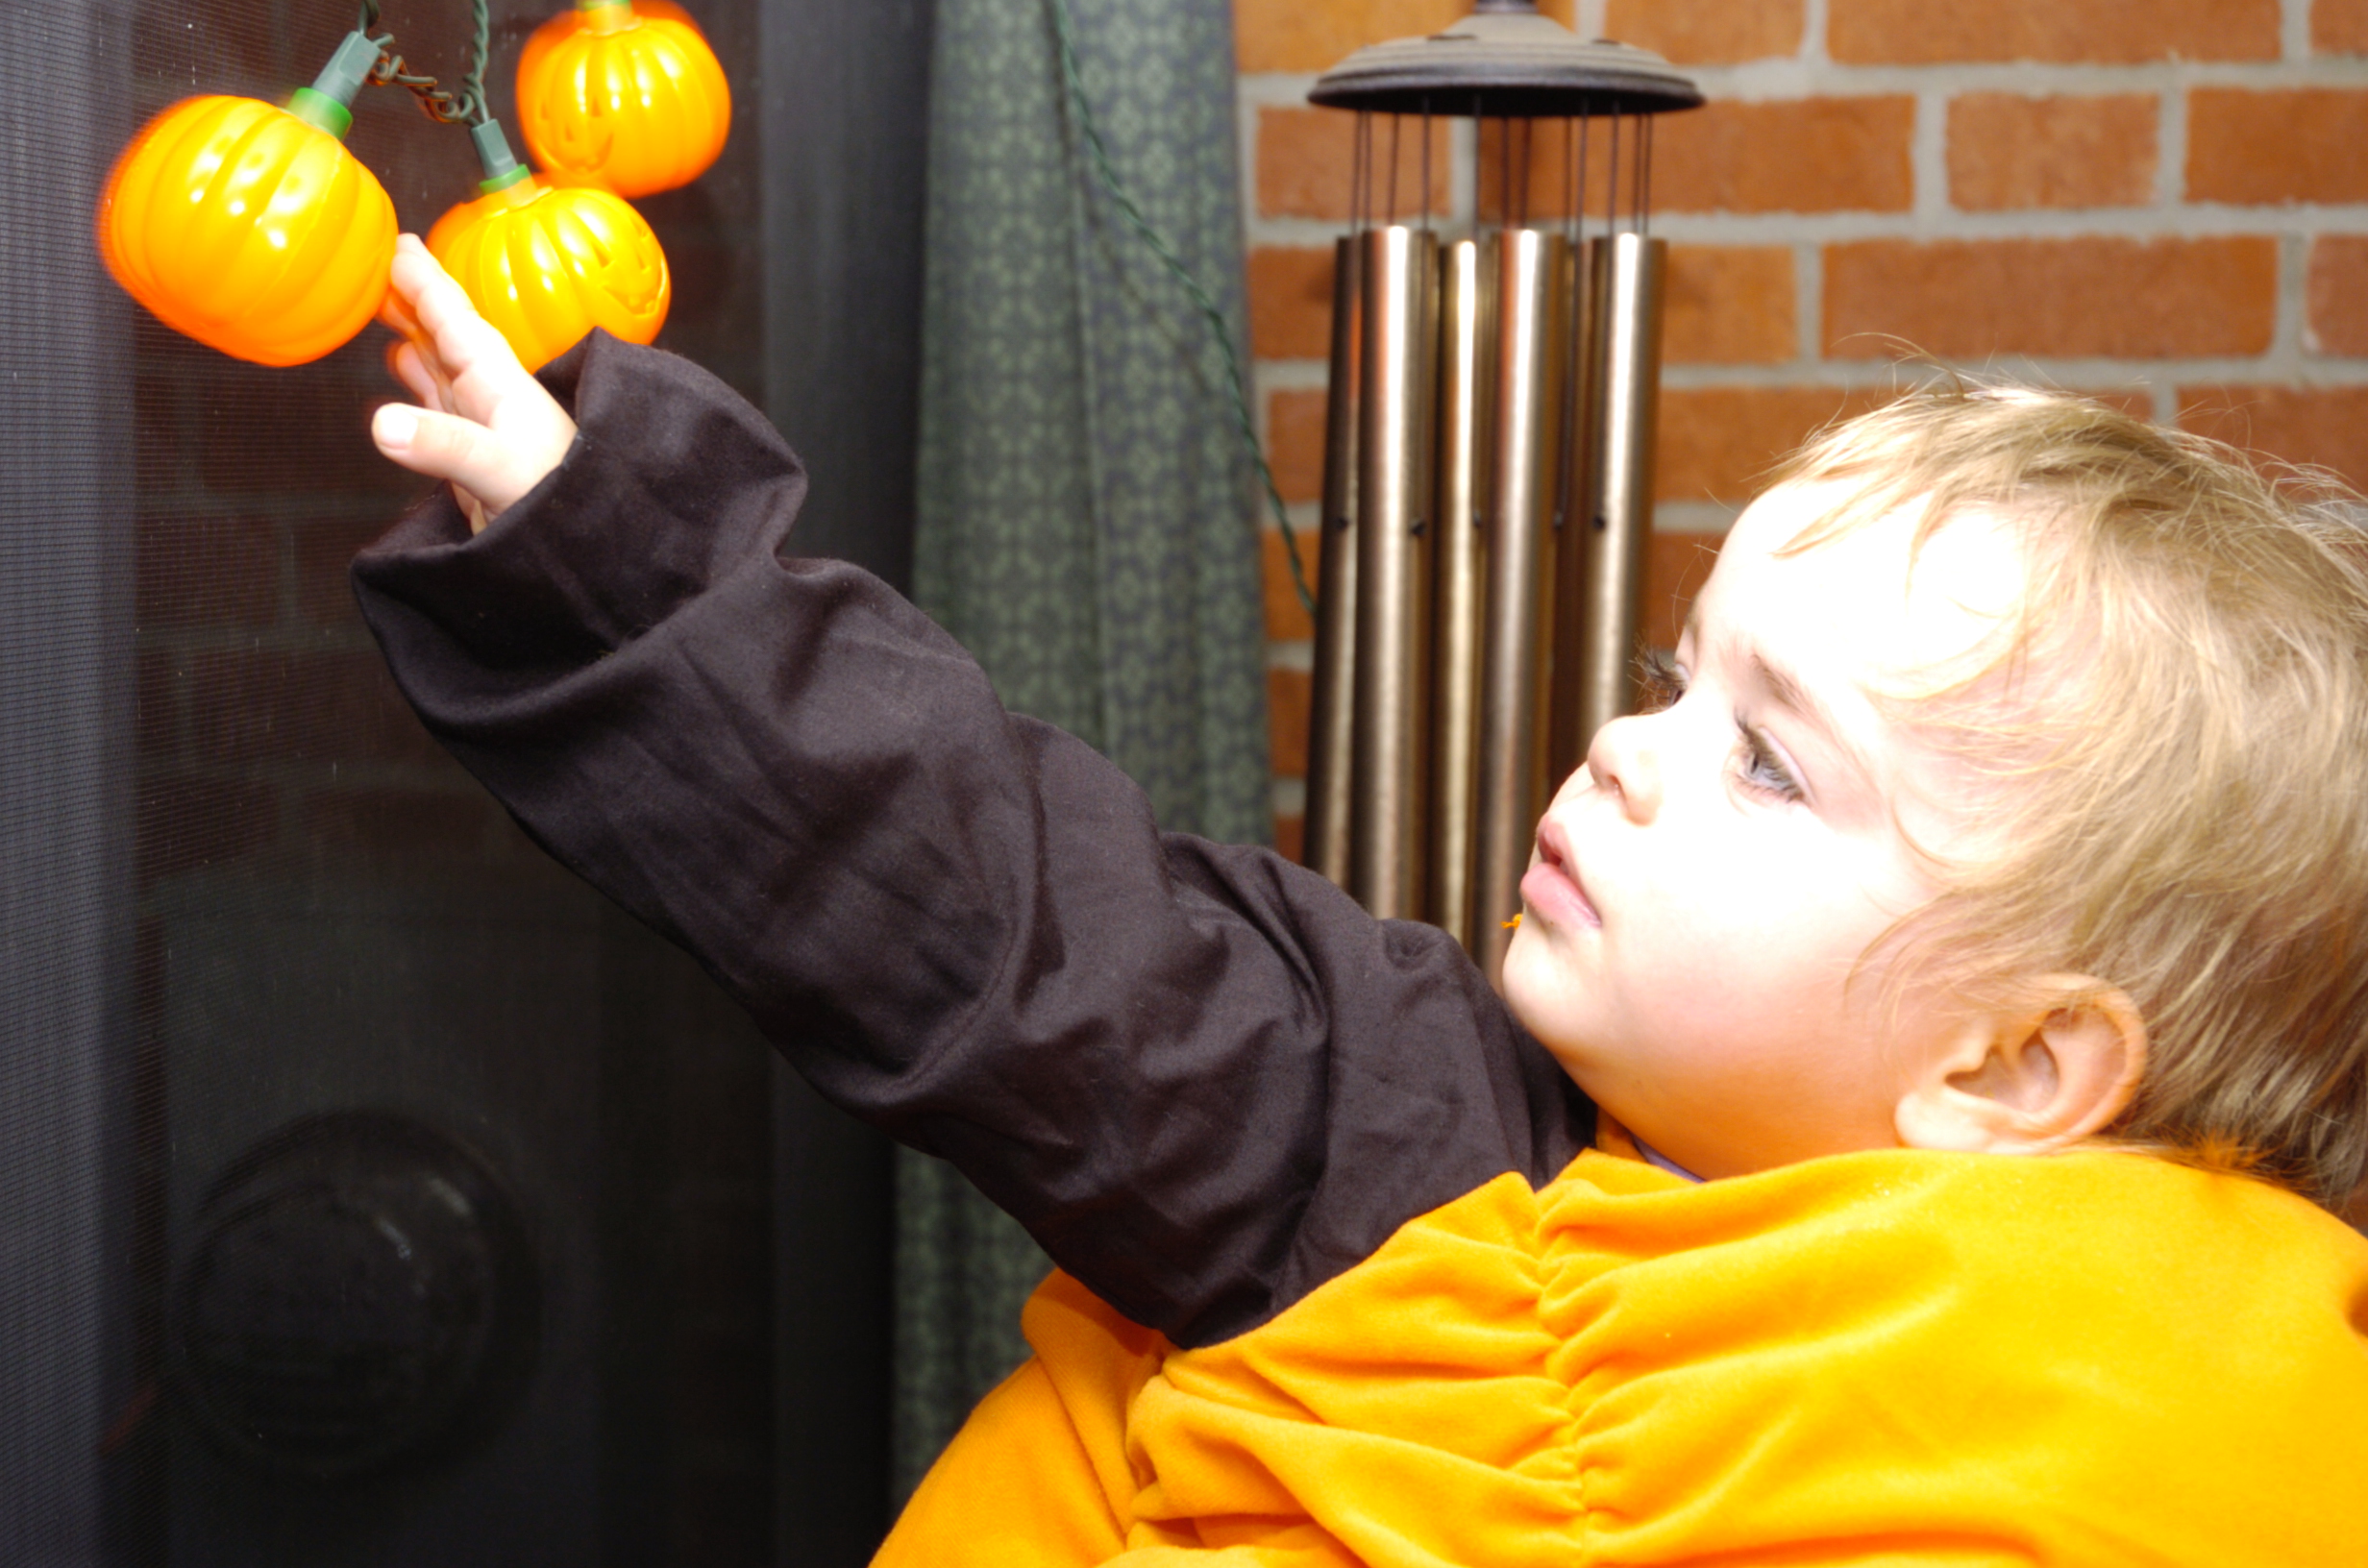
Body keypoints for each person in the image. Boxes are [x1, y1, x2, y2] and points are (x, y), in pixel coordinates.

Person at [358, 235, 2368, 1564]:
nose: (1624, 747)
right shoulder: (1407, 1130)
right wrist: (629, 561)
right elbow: (1014, 916)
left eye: (1768, 759)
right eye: (1675, 678)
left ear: (2015, 1066)